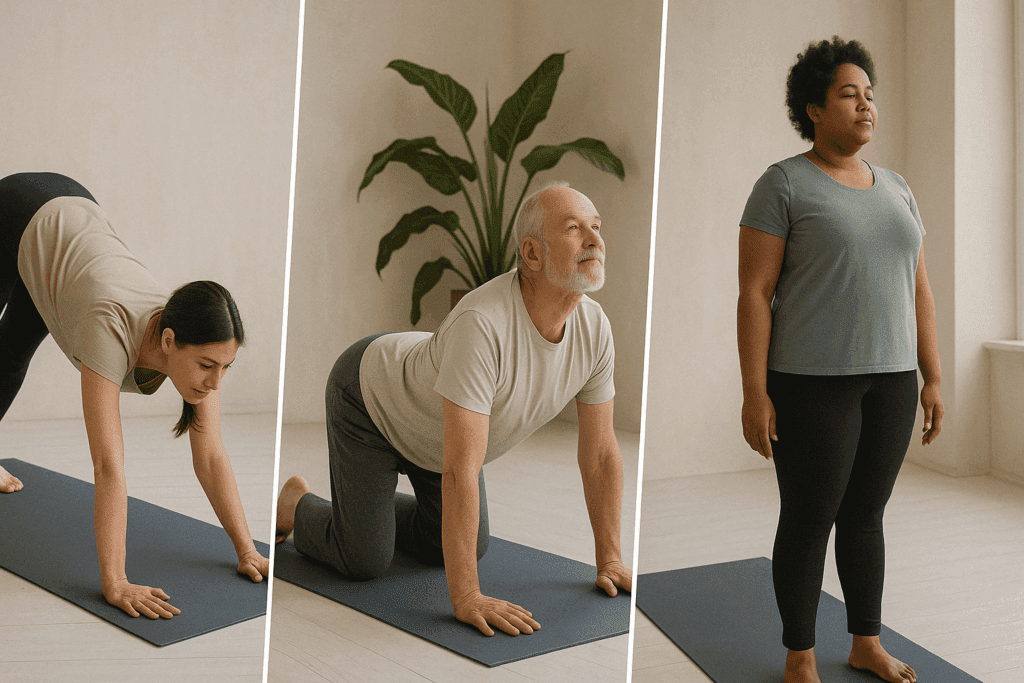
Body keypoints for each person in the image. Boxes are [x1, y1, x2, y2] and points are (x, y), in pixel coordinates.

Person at [276, 183, 632, 637]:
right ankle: (298, 506)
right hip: (370, 399)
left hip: (434, 428)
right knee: (363, 560)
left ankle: (372, 512)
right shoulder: (483, 324)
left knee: (465, 544)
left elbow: (600, 454)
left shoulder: (594, 329)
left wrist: (611, 559)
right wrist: (466, 597)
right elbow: (461, 470)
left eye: (596, 228)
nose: (594, 239)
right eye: (574, 228)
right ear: (533, 253)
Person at [736, 38, 942, 683]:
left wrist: (932, 376)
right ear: (814, 109)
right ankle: (800, 655)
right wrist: (753, 391)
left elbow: (919, 287)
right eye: (850, 95)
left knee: (866, 518)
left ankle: (864, 642)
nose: (866, 106)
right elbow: (753, 293)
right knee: (808, 518)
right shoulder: (782, 184)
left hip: (891, 380)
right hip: (810, 384)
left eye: (870, 95)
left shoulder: (899, 187)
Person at [0, 172, 269, 620]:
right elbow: (108, 465)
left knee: (11, 348)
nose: (215, 383)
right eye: (207, 366)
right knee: (7, 350)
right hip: (15, 210)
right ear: (167, 340)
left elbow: (212, 458)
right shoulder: (110, 329)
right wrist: (116, 581)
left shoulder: (197, 345)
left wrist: (247, 550)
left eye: (226, 368)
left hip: (72, 221)